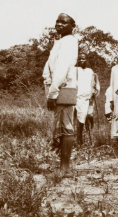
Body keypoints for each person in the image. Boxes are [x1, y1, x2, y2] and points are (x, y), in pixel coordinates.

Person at [42, 12, 78, 175]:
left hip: (63, 87)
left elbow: (61, 69)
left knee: (66, 127)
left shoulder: (69, 42)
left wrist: (53, 93)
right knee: (62, 126)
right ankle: (63, 166)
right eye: (57, 22)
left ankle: (65, 168)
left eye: (64, 22)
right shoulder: (60, 41)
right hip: (59, 87)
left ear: (72, 27)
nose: (59, 24)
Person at [75, 52, 99, 145]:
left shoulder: (90, 71)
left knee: (89, 115)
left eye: (83, 59)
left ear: (86, 60)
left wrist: (95, 91)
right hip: (79, 98)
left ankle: (91, 131)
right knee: (80, 119)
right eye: (79, 59)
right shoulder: (75, 70)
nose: (81, 60)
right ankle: (79, 139)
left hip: (89, 98)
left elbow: (95, 82)